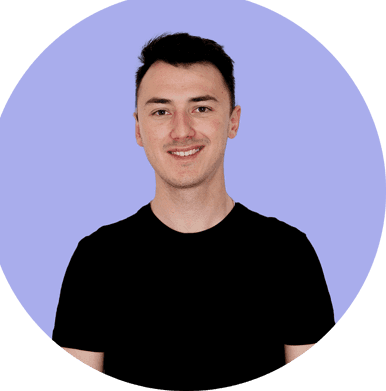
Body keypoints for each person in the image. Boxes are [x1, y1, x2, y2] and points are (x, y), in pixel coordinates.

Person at [52, 32, 336, 390]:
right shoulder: (96, 259)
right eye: (161, 111)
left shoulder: (289, 254)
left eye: (201, 108)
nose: (181, 130)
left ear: (233, 121)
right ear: (139, 129)